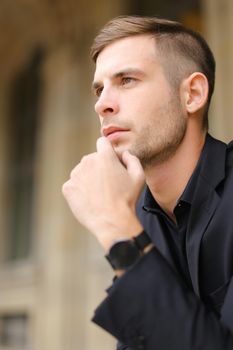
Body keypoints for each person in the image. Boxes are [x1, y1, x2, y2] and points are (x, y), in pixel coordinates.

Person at [62, 15, 233, 349]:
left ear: (193, 94)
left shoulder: (124, 224)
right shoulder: (138, 214)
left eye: (127, 80)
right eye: (99, 89)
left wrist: (116, 228)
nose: (101, 104)